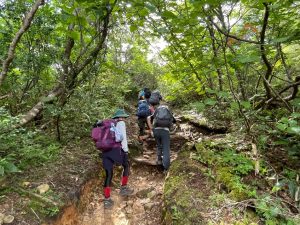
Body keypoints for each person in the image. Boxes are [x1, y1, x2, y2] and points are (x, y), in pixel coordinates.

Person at [102, 109, 134, 209]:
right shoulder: (121, 124)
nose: (124, 119)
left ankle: (107, 200)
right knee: (126, 165)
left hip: (106, 152)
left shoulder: (109, 126)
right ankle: (123, 188)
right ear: (120, 117)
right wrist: (125, 150)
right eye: (124, 117)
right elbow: (123, 138)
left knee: (109, 174)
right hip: (117, 151)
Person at [147, 105, 176, 173]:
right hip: (165, 131)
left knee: (159, 145)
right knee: (166, 149)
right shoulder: (168, 111)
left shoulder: (157, 110)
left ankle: (159, 160)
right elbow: (174, 121)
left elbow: (149, 117)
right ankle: (166, 168)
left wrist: (151, 128)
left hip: (156, 131)